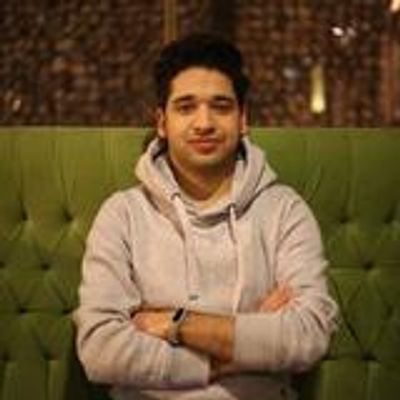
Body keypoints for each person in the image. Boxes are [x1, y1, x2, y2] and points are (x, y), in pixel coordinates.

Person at [74, 33, 338, 400]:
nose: (204, 123)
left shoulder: (284, 210)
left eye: (221, 107)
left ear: (243, 119)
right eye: (185, 107)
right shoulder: (123, 215)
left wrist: (174, 323)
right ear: (162, 122)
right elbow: (100, 350)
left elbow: (310, 334)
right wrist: (242, 348)